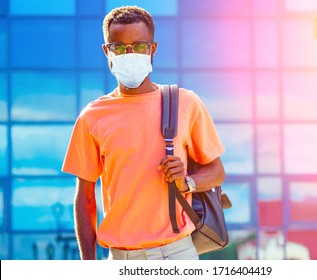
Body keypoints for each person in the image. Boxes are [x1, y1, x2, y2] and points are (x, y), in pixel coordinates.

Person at [62, 5, 225, 260]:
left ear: (152, 49)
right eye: (119, 48)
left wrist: (187, 182)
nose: (130, 54)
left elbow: (217, 172)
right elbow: (85, 199)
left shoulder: (186, 103)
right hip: (120, 259)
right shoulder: (92, 116)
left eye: (139, 46)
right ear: (107, 51)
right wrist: (88, 264)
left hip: (177, 253)